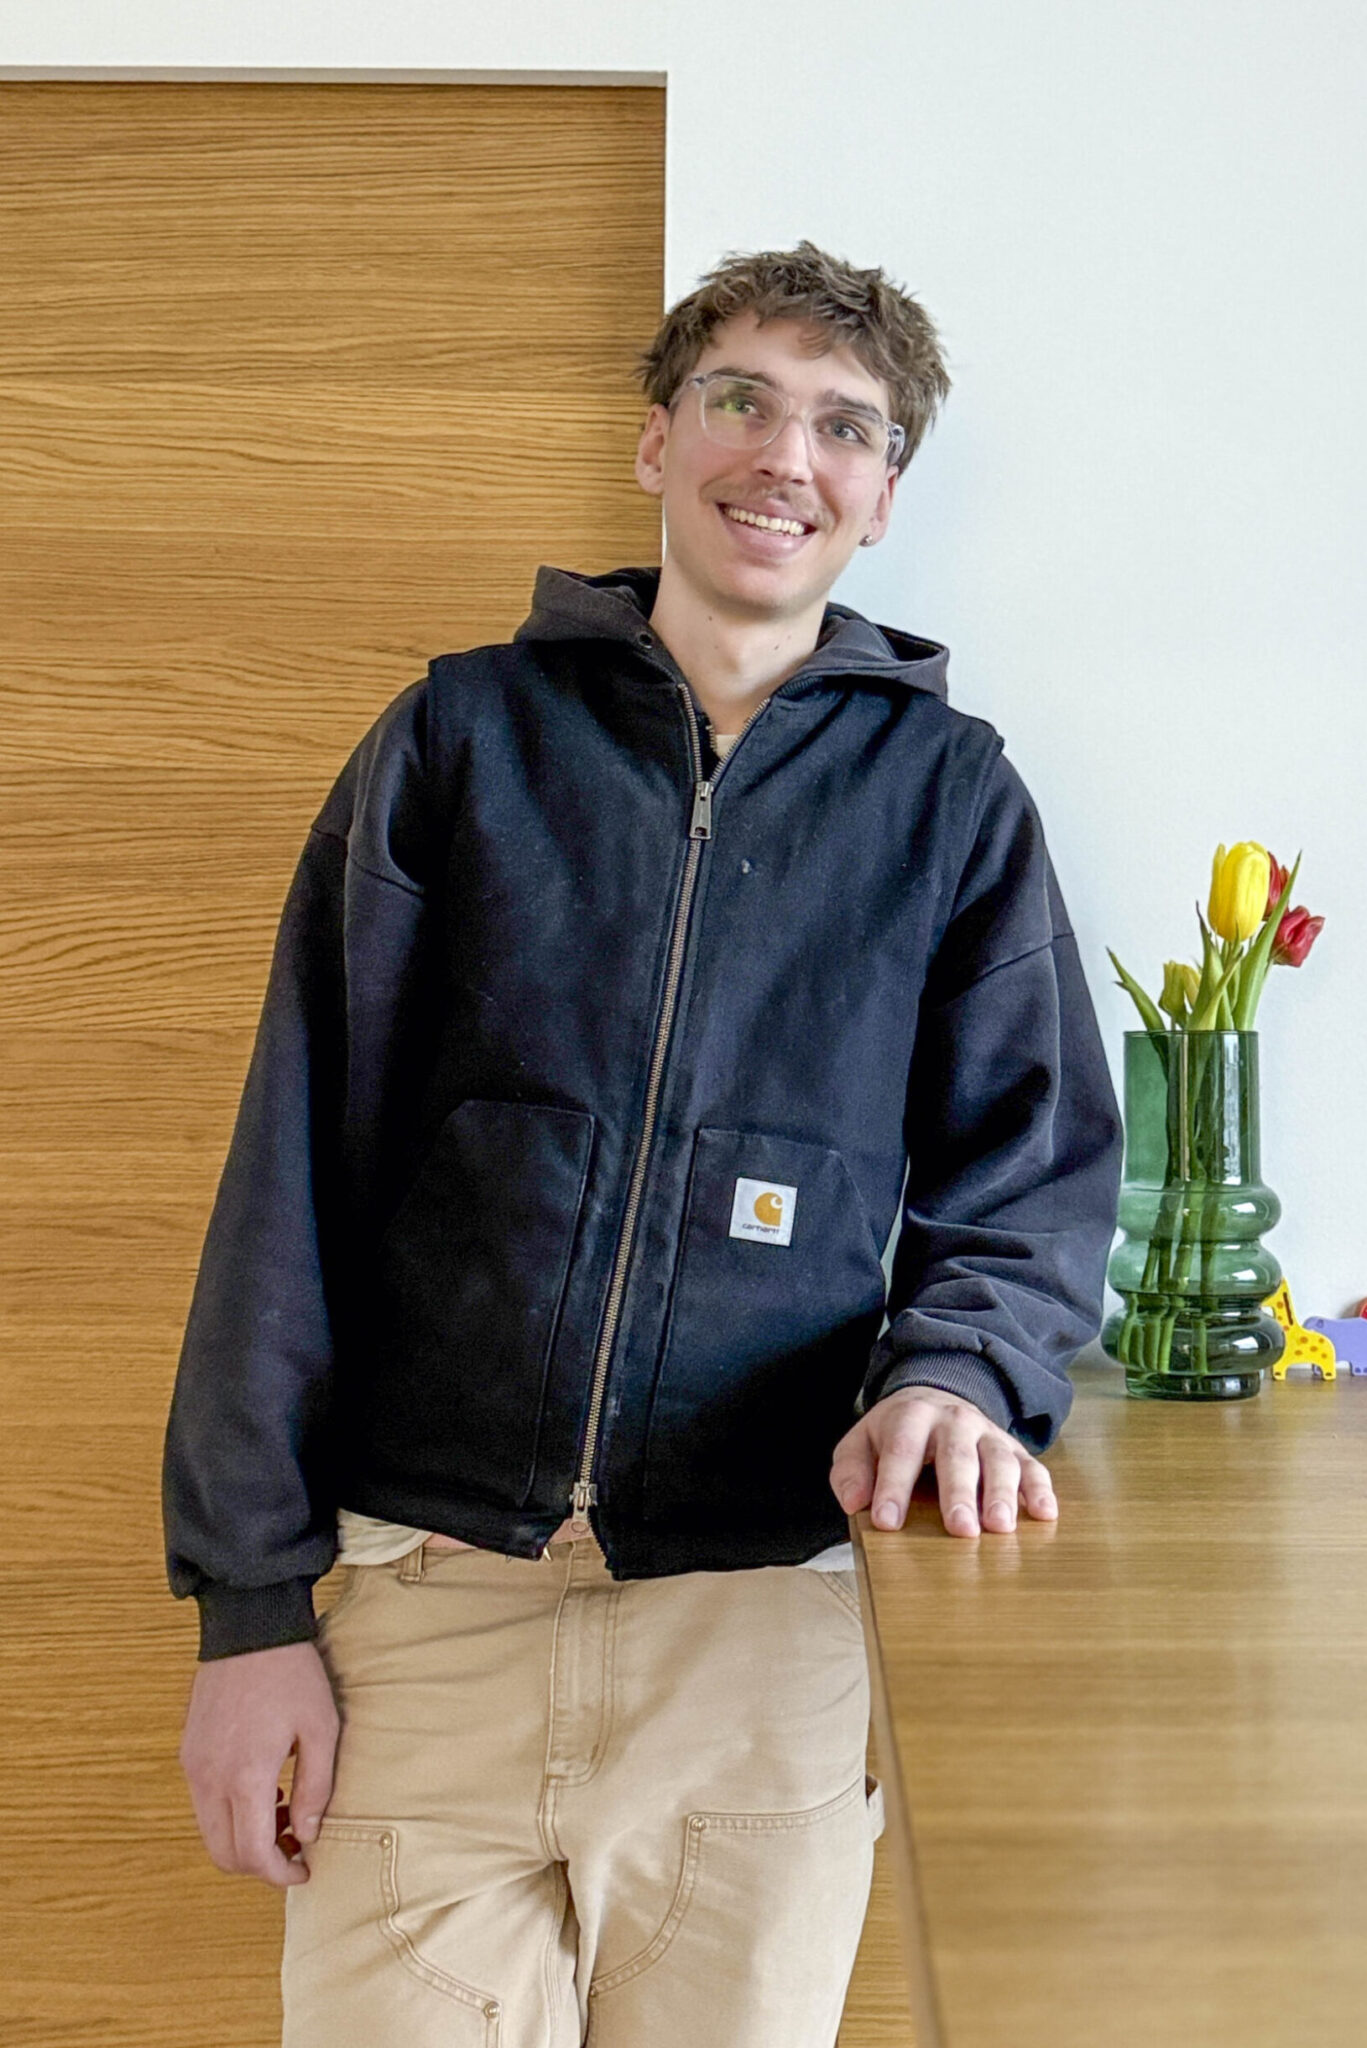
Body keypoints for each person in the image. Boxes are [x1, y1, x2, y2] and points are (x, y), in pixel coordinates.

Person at [163, 240, 1123, 2047]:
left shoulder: (953, 800)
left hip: (763, 1639)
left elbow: (1037, 1179)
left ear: (886, 497)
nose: (787, 454)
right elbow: (288, 1180)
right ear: (657, 442)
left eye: (847, 426)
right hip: (425, 1612)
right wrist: (248, 1613)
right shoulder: (460, 741)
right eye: (740, 400)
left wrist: (961, 1375)